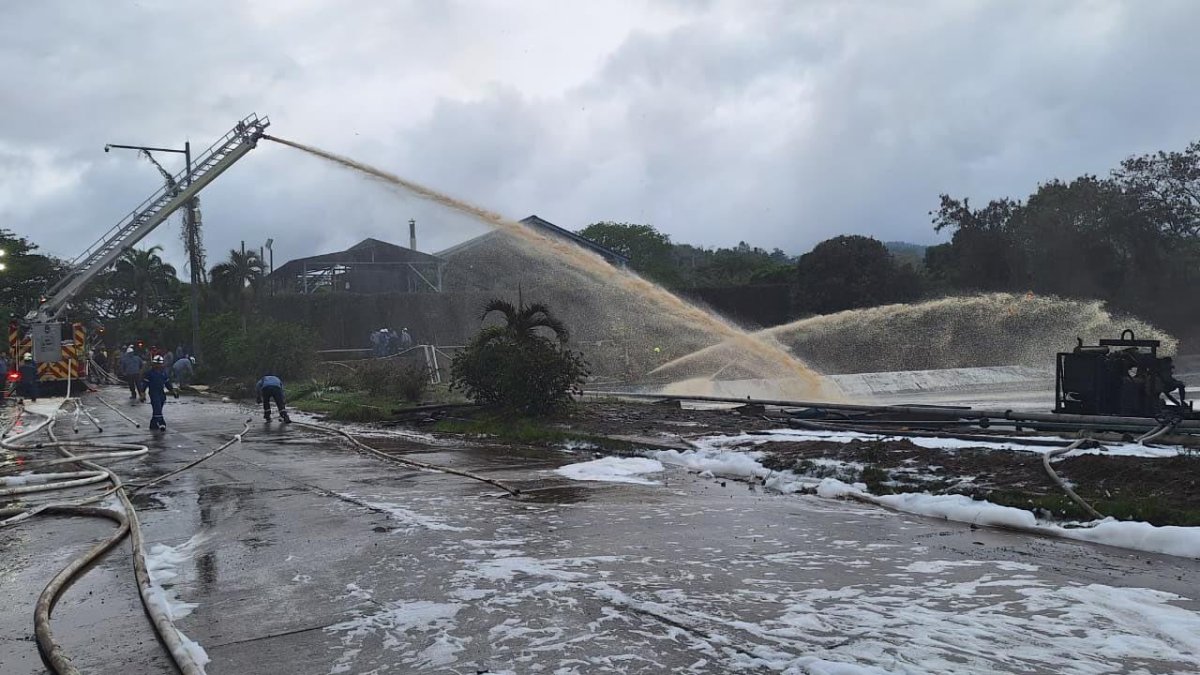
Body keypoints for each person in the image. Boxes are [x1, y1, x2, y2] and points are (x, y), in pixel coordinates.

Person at [142, 354, 178, 431]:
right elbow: (144, 384)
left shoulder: (163, 373)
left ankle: (153, 424)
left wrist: (173, 391)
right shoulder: (149, 373)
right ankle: (162, 423)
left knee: (158, 409)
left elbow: (167, 384)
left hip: (161, 393)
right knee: (157, 407)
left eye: (160, 364)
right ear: (154, 364)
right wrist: (142, 394)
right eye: (157, 364)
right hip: (153, 392)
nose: (158, 365)